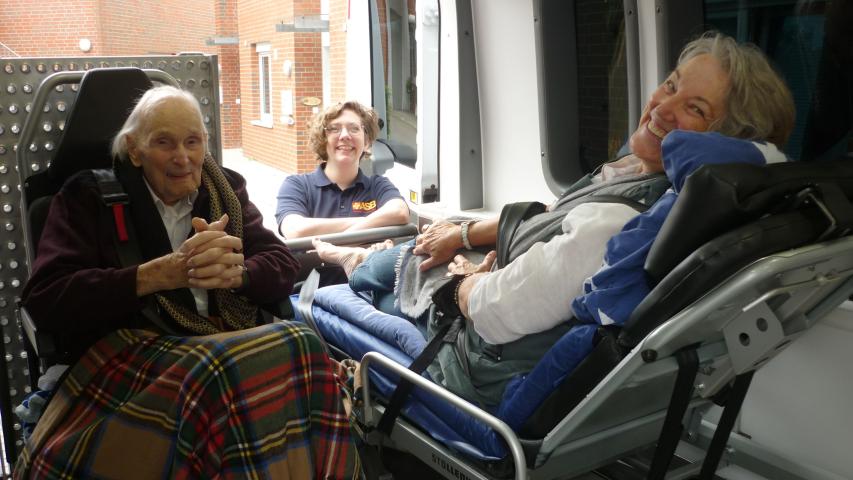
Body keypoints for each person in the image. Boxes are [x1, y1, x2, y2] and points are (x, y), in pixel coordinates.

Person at [312, 31, 796, 406]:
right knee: (423, 251)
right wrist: (468, 233)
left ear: (723, 140)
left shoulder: (619, 224)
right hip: (506, 295)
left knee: (387, 272)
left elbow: (497, 312)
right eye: (671, 85)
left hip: (479, 359)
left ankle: (352, 265)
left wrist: (462, 282)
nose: (662, 107)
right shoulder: (651, 180)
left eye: (695, 108)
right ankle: (360, 260)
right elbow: (556, 218)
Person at [15, 86, 359, 479]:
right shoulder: (87, 196)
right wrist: (154, 275)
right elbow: (46, 298)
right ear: (134, 149)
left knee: (303, 342)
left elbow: (280, 263)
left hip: (222, 345)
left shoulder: (225, 191)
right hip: (133, 351)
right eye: (164, 142)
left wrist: (239, 274)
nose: (182, 157)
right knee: (223, 370)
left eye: (192, 142)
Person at [275, 100, 410, 239]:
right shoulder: (297, 185)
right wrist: (373, 221)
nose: (345, 135)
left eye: (354, 128)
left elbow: (399, 212)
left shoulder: (378, 186)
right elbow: (295, 230)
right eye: (334, 128)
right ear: (322, 140)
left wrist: (334, 244)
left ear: (367, 142)